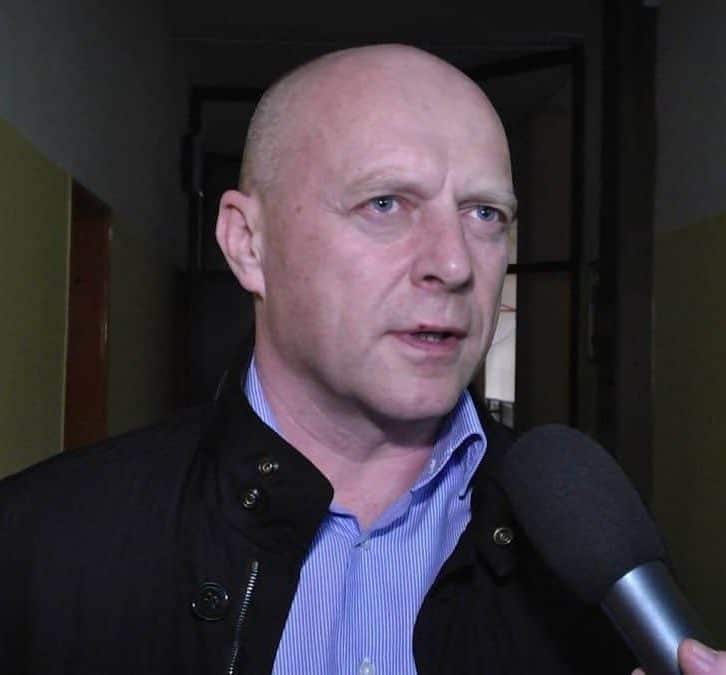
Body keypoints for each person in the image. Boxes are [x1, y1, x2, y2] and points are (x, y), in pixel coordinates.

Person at [0, 43, 722, 675]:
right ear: (248, 243)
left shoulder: (585, 561)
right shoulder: (40, 547)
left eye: (485, 214)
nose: (453, 264)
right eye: (384, 203)